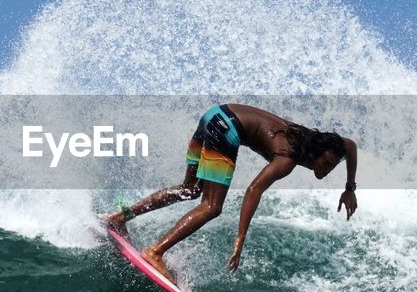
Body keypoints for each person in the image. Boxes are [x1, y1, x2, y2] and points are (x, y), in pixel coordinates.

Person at [104, 103, 358, 278]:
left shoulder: (325, 143)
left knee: (190, 189)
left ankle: (118, 217)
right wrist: (241, 238)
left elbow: (351, 145)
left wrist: (350, 188)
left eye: (333, 165)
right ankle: (155, 252)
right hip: (226, 129)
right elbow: (253, 190)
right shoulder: (287, 158)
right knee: (212, 207)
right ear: (315, 153)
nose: (327, 169)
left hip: (213, 115)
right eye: (325, 162)